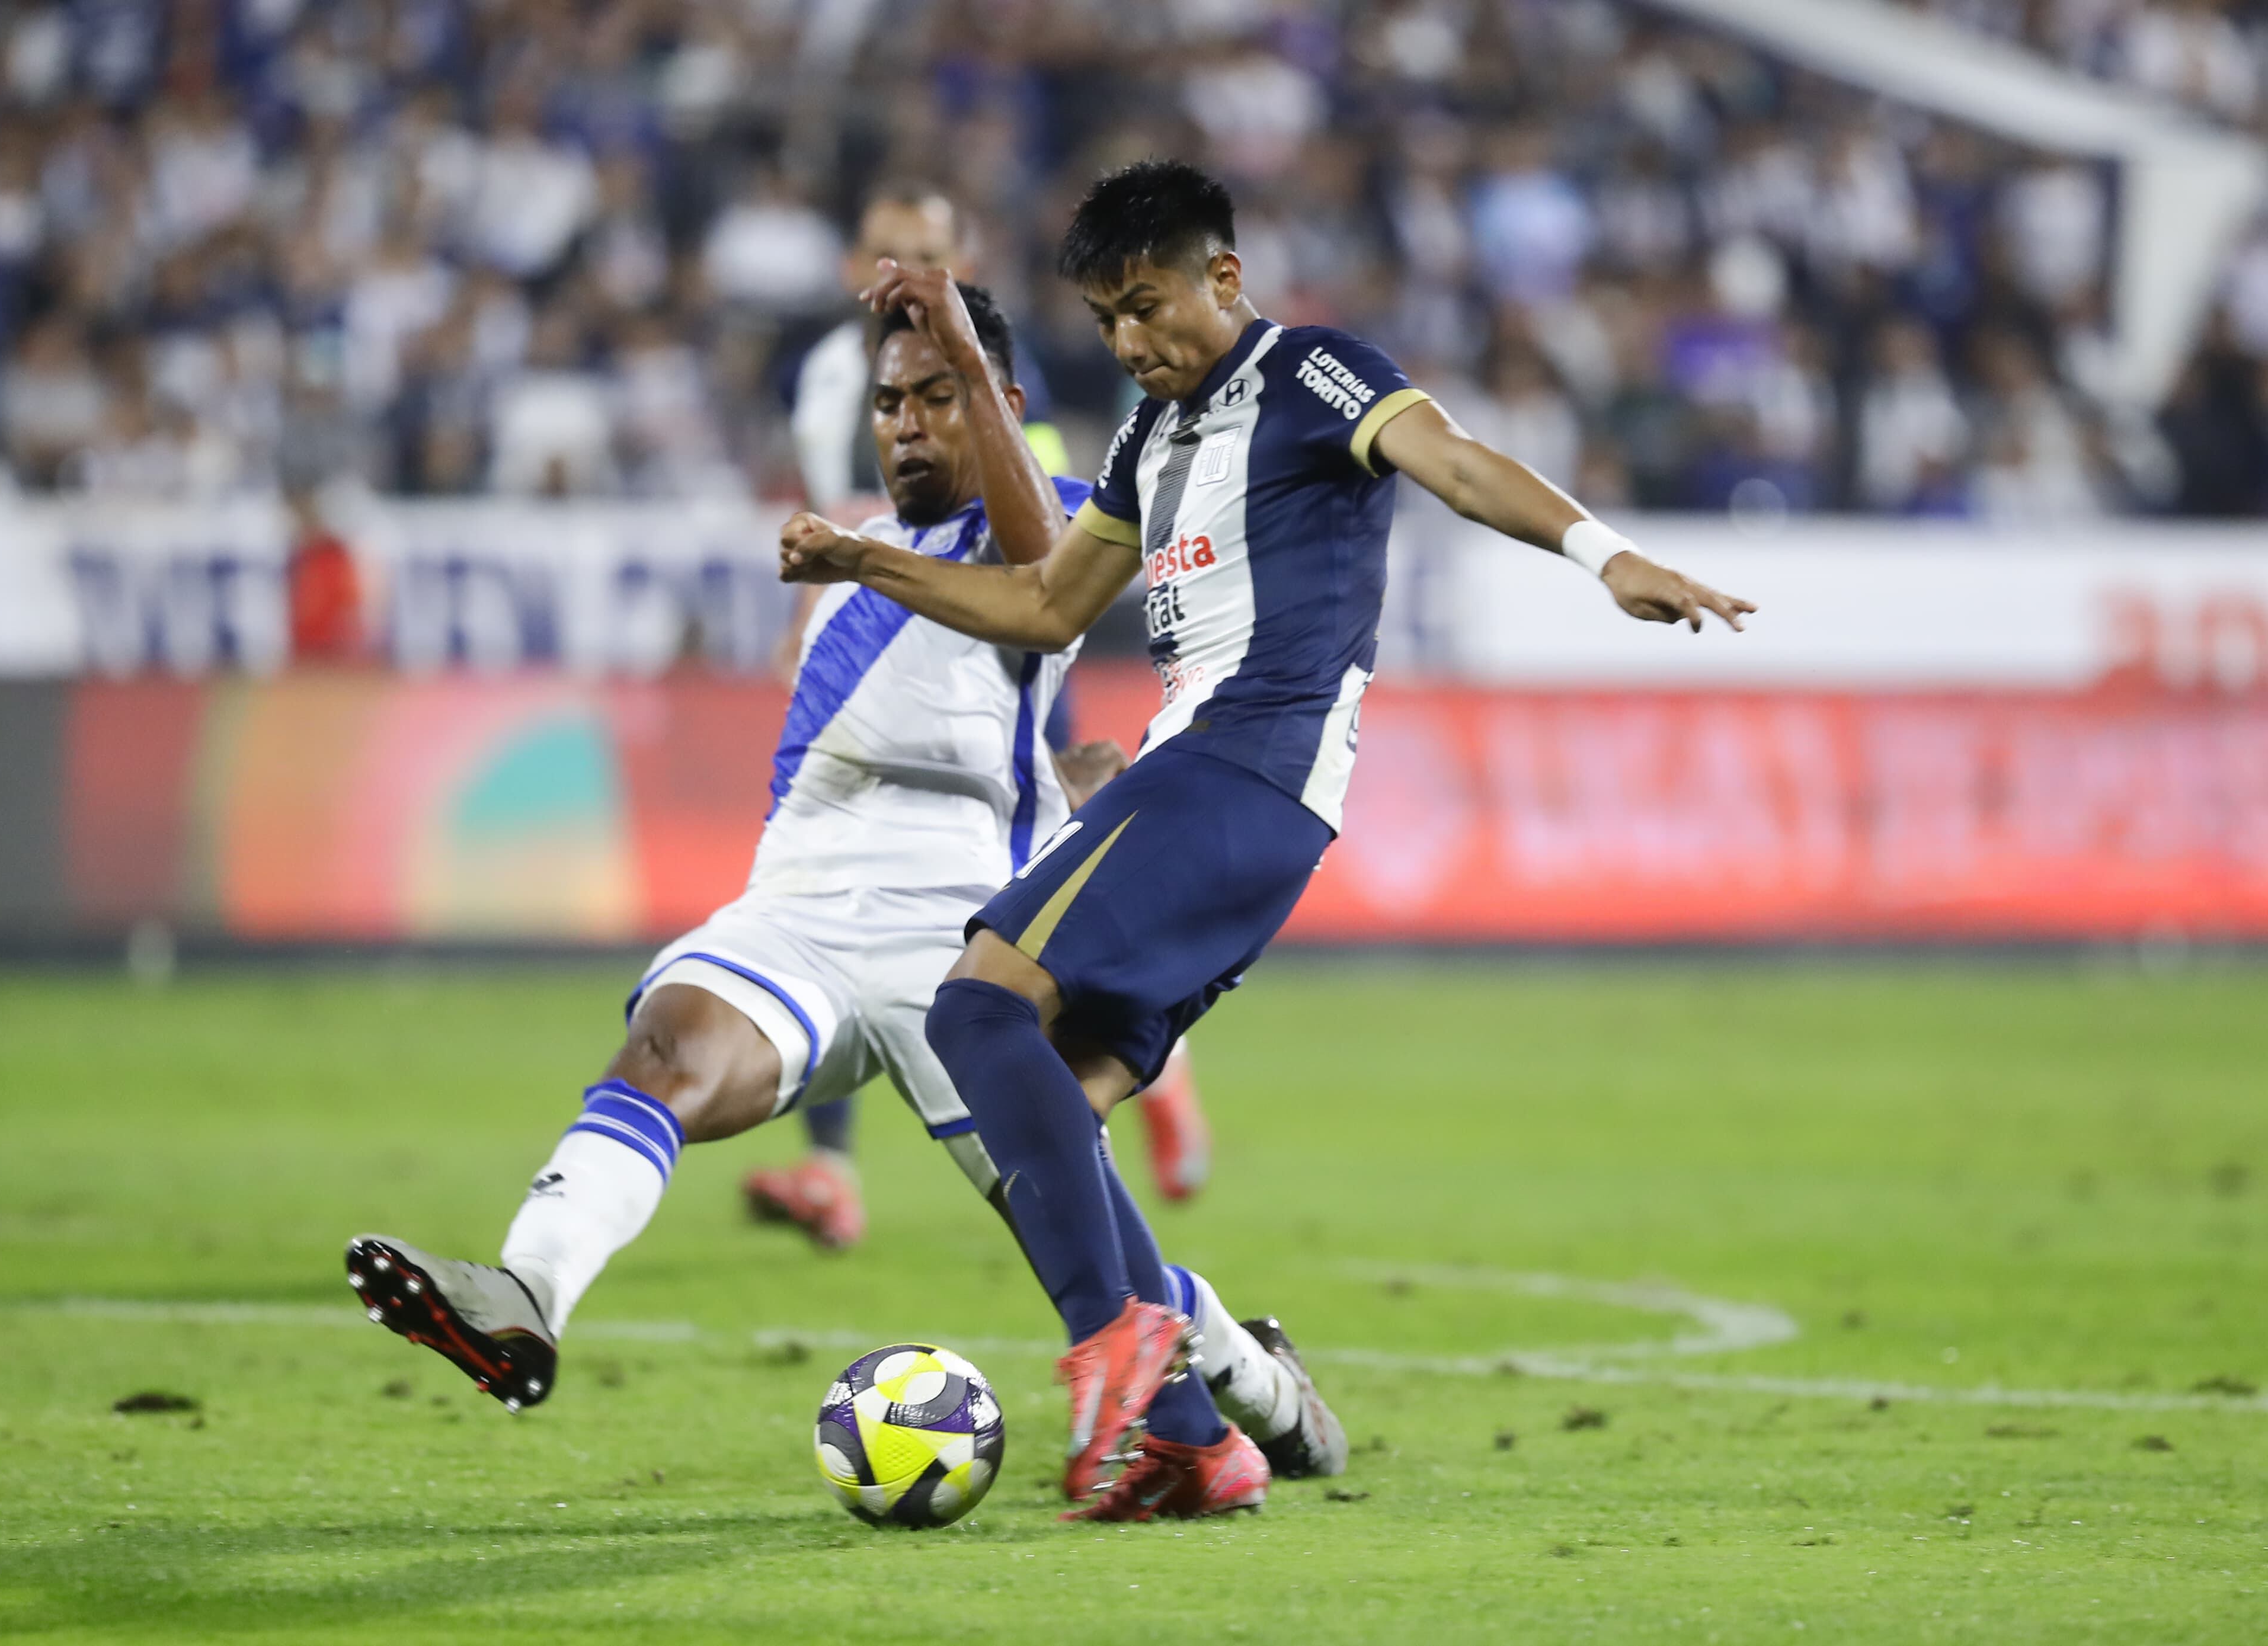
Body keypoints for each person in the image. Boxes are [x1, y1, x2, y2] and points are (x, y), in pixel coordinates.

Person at [779, 160, 1757, 1522]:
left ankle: (1119, 1346)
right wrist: (864, 559)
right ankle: (1199, 1430)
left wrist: (1605, 556)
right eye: (1108, 320)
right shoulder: (1144, 443)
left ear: (1220, 281)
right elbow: (1050, 604)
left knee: (972, 1008)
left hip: (1248, 763)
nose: (1130, 342)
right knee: (1044, 1109)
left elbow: (1460, 465)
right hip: (1216, 788)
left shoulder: (1310, 374)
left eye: (1148, 306)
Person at [348, 283, 1344, 1488]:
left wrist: (963, 379)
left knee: (1078, 1240)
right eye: (891, 402)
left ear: (998, 407)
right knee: (661, 1053)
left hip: (966, 943)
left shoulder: (1063, 524)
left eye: (938, 396)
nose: (909, 424)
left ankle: (1254, 1394)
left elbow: (1040, 591)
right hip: (800, 910)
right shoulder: (840, 569)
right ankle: (524, 1294)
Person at [750, 180, 1207, 1251]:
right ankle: (832, 1169)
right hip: (887, 624)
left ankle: (1155, 1057)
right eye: (886, 250)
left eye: (927, 253)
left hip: (1004, 631)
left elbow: (1039, 535)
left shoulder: (1006, 372)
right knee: (830, 878)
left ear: (963, 260)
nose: (902, 270)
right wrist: (823, 606)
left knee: (1052, 887)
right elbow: (845, 490)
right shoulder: (831, 375)